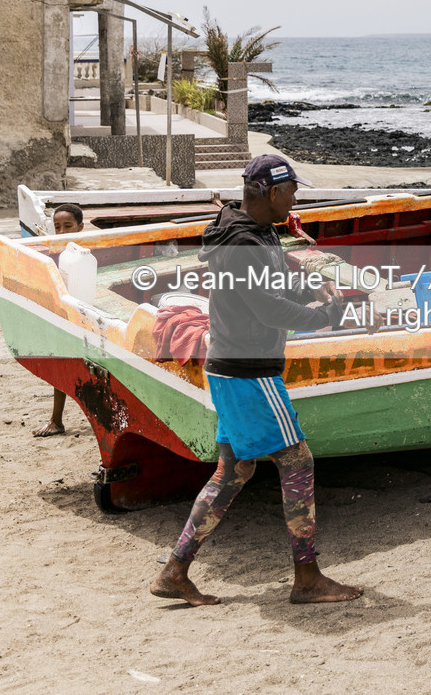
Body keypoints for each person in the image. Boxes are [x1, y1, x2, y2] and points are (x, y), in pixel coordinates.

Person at [150, 155, 359, 607]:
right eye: (292, 191)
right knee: (297, 461)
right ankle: (307, 578)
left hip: (229, 366)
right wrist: (325, 316)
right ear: (270, 192)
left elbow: (270, 286)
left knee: (233, 471)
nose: (296, 199)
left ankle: (174, 572)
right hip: (249, 372)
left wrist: (311, 289)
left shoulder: (257, 230)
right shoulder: (242, 243)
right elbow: (267, 309)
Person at [34, 203, 85, 437]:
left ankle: (57, 420)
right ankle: (56, 420)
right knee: (60, 365)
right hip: (64, 313)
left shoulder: (86, 250)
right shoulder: (54, 251)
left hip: (84, 312)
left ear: (80, 227)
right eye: (57, 227)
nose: (62, 232)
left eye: (68, 226)